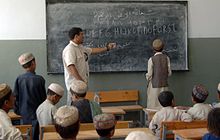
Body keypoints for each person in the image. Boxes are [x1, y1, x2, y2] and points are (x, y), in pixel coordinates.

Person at [62, 27, 116, 105]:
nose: (83, 36)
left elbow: (92, 50)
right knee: (73, 108)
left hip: (81, 85)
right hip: (75, 86)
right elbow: (71, 67)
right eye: (81, 34)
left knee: (81, 107)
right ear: (76, 36)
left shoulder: (80, 48)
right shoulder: (69, 49)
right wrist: (81, 81)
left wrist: (107, 48)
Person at [14, 52, 47, 140]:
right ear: (33, 63)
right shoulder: (40, 79)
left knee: (26, 136)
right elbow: (44, 100)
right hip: (37, 115)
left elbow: (15, 97)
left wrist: (18, 111)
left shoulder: (19, 79)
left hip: (24, 115)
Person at [145, 38, 172, 109]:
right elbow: (169, 73)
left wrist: (147, 77)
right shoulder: (167, 58)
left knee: (153, 106)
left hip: (154, 86)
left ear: (153, 49)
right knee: (165, 105)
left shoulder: (151, 59)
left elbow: (149, 75)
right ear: (163, 48)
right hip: (164, 85)